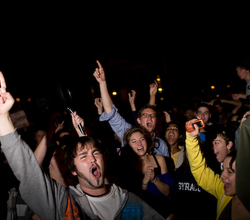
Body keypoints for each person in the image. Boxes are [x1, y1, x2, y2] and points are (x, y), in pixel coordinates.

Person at [0, 71, 165, 219]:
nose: (92, 159)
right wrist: (3, 117)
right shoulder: (64, 204)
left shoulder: (130, 201)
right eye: (83, 156)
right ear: (73, 170)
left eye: (96, 153)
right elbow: (28, 171)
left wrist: (81, 133)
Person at [93, 60, 169, 157]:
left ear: (157, 121)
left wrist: (153, 96)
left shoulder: (161, 145)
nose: (149, 118)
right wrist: (102, 83)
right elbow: (111, 112)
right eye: (145, 115)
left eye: (153, 116)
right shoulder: (128, 132)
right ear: (139, 120)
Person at [185, 118, 250, 219]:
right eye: (223, 170)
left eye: (230, 171)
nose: (222, 175)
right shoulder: (222, 190)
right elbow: (199, 170)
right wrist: (191, 138)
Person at [164, 120, 217, 219]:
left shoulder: (210, 174)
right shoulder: (179, 172)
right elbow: (174, 199)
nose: (191, 154)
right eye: (189, 150)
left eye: (196, 151)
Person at [119, 126, 174, 218]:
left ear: (147, 141)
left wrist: (154, 178)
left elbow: (167, 192)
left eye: (142, 139)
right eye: (134, 142)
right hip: (142, 212)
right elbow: (132, 200)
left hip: (163, 210)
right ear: (129, 146)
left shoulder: (159, 159)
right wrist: (144, 182)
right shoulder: (127, 166)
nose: (139, 144)